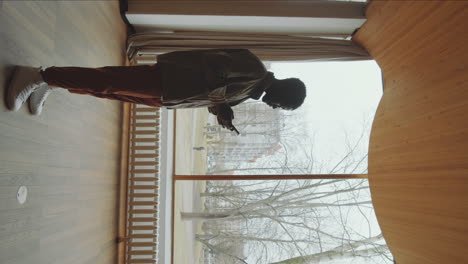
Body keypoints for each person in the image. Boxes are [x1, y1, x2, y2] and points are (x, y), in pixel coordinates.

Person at [6, 49, 306, 132]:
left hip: (170, 96)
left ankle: (52, 81)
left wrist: (220, 114)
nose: (275, 108)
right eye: (282, 105)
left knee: (108, 92)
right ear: (284, 92)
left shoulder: (249, 91)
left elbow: (212, 97)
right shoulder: (253, 69)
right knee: (106, 81)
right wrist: (223, 103)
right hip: (170, 79)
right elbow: (211, 70)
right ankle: (37, 74)